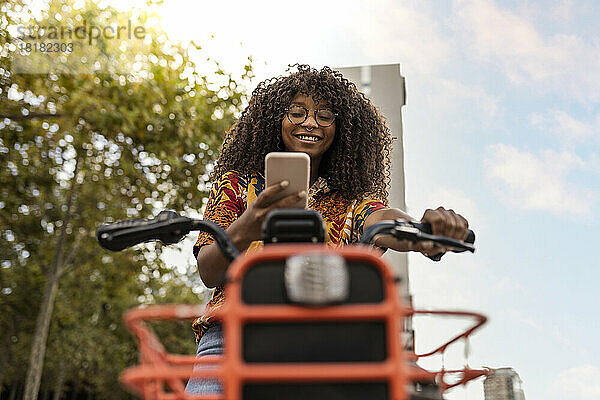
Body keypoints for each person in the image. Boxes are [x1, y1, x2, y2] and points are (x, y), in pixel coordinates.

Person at [185, 64, 469, 393]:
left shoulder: (350, 200)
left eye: (325, 115)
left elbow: (382, 219)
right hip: (229, 338)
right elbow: (208, 270)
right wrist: (248, 226)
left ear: (342, 129)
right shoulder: (236, 185)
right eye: (297, 112)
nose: (310, 122)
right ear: (276, 120)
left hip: (325, 344)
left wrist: (424, 232)